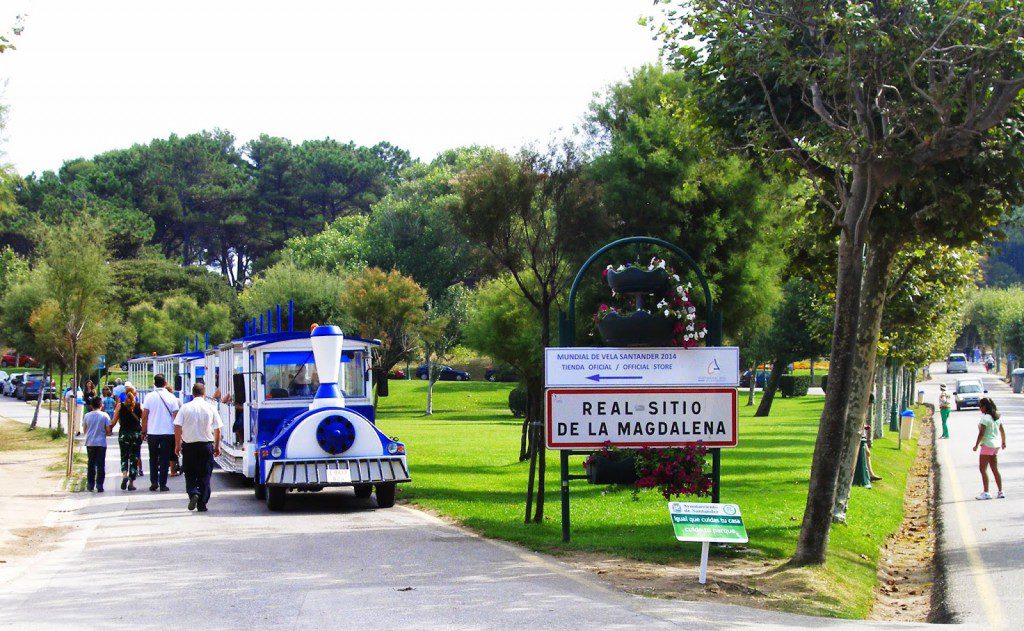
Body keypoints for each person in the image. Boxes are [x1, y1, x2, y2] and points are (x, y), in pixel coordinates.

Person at [174, 383, 222, 512]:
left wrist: (177, 444)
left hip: (189, 446)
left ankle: (193, 492)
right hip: (206, 445)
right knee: (205, 475)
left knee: (189, 473)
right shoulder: (210, 407)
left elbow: (177, 426)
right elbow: (218, 429)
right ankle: (202, 503)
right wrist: (217, 446)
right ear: (204, 393)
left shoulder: (185, 408)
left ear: (193, 394)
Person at [142, 373, 180, 492]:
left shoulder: (149, 397)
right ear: (165, 383)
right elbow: (175, 416)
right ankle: (163, 484)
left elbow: (145, 416)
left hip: (153, 432)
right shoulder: (171, 397)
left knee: (153, 458)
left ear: (154, 383)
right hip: (168, 432)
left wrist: (144, 431)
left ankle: (154, 482)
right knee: (164, 459)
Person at [973, 397, 1007, 500]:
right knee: (995, 469)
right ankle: (1000, 491)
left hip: (987, 445)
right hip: (996, 446)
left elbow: (981, 433)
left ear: (984, 407)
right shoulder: (996, 417)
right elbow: (1002, 431)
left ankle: (986, 492)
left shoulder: (985, 418)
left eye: (980, 407)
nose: (980, 409)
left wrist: (976, 445)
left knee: (982, 469)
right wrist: (1003, 442)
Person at [111, 385, 143, 490]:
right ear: (135, 394)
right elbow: (145, 419)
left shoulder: (120, 406)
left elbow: (114, 422)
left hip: (124, 434)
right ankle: (131, 483)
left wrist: (108, 429)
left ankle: (124, 475)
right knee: (134, 457)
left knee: (124, 456)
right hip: (135, 435)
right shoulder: (139, 406)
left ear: (125, 394)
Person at [82, 395, 112, 493]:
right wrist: (106, 433)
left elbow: (84, 430)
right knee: (100, 465)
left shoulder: (87, 415)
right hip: (101, 443)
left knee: (91, 464)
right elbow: (108, 430)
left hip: (90, 442)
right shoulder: (105, 415)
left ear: (91, 405)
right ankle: (100, 485)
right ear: (101, 405)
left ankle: (90, 484)